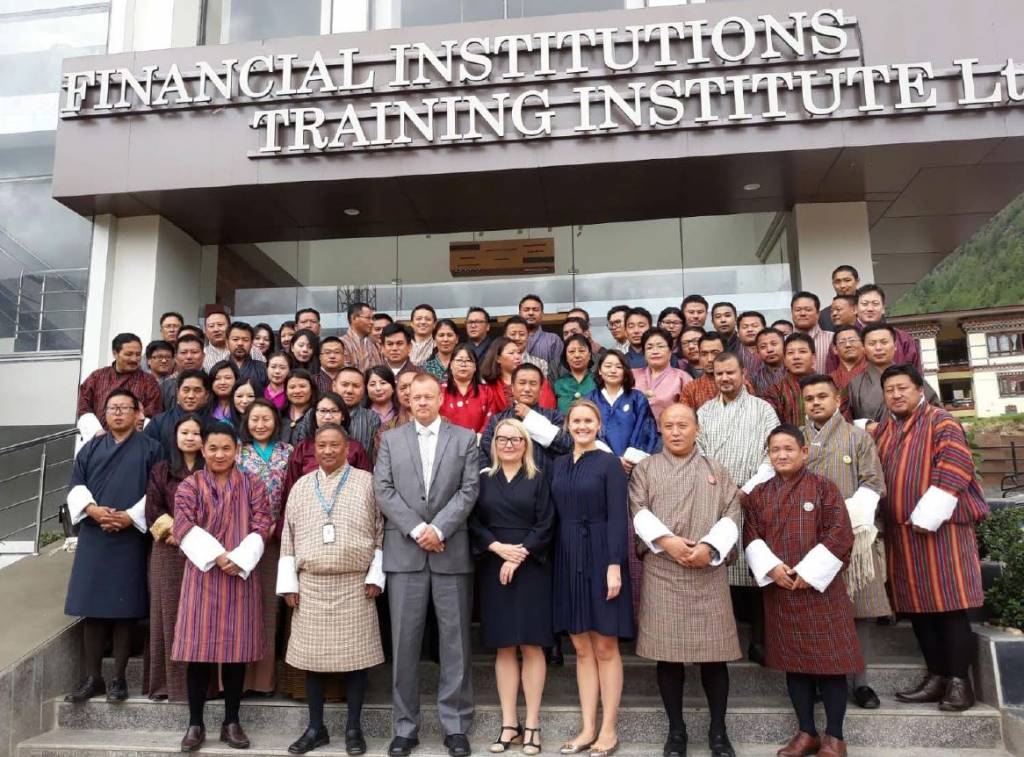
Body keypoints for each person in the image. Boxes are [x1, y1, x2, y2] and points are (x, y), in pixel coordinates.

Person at [373, 373, 481, 757]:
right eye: (414, 397)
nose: (421, 403)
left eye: (428, 396)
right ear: (407, 400)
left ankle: (456, 726)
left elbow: (470, 489)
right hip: (406, 553)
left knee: (456, 645)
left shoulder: (466, 439)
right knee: (404, 645)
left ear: (441, 398)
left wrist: (439, 528)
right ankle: (405, 727)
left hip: (450, 551)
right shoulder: (391, 439)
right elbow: (382, 488)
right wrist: (419, 528)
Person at [874, 365, 988, 712]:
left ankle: (959, 682)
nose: (896, 395)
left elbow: (955, 465)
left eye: (902, 388)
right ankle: (936, 676)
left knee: (950, 606)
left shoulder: (942, 421)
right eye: (890, 390)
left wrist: (929, 513)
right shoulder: (884, 431)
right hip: (902, 536)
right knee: (918, 609)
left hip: (943, 532)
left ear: (919, 389)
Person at [629, 403, 741, 757]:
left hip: (708, 570)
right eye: (668, 426)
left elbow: (732, 512)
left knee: (715, 657)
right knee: (668, 657)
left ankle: (718, 731)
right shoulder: (645, 469)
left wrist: (710, 546)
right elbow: (638, 511)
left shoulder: (716, 470)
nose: (675, 432)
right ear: (659, 430)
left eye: (683, 425)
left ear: (697, 430)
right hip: (664, 570)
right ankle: (676, 732)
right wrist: (668, 543)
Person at [744, 425, 861, 757]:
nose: (781, 455)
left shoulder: (824, 488)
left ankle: (835, 737)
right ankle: (806, 732)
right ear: (768, 455)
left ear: (804, 452)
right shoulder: (758, 495)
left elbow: (840, 533)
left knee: (832, 663)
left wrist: (810, 572)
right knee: (794, 663)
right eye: (775, 450)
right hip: (781, 588)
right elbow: (751, 537)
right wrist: (772, 568)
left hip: (821, 589)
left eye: (788, 449)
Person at [278, 424, 386, 755]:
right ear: (313, 449)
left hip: (355, 582)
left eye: (334, 445)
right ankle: (316, 727)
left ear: (347, 448)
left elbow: (382, 531)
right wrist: (288, 584)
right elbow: (288, 536)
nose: (327, 451)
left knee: (356, 660)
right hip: (311, 584)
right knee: (312, 660)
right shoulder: (300, 486)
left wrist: (375, 576)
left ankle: (354, 728)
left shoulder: (367, 483)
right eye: (321, 445)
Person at [172, 424, 273, 751]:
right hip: (202, 576)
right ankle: (195, 723)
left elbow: (262, 523)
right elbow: (183, 525)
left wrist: (239, 558)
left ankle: (232, 721)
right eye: (212, 448)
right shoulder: (190, 485)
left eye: (225, 448)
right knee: (197, 655)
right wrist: (217, 556)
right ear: (203, 450)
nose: (219, 454)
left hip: (240, 574)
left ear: (237, 451)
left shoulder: (253, 484)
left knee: (235, 653)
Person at [63, 389, 163, 704]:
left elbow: (157, 490)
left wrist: (129, 517)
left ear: (138, 414)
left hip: (131, 535)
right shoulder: (90, 448)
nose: (118, 413)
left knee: (125, 610)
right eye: (112, 408)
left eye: (124, 408)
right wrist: (93, 511)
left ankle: (119, 679)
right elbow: (76, 486)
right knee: (92, 609)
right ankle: (93, 678)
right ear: (105, 414)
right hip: (95, 535)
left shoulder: (152, 448)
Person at [799, 374, 890, 710]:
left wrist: (843, 521)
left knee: (859, 612)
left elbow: (873, 483)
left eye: (822, 396)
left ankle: (861, 682)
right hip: (808, 537)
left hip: (853, 535)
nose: (816, 403)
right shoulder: (797, 439)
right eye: (809, 398)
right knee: (816, 613)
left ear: (837, 399)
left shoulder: (857, 437)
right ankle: (824, 678)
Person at [550, 400, 634, 757]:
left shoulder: (609, 464)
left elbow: (619, 516)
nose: (582, 426)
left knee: (605, 645)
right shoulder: (557, 464)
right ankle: (587, 727)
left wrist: (614, 564)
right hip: (567, 555)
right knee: (581, 647)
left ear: (599, 424)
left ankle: (609, 729)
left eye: (588, 420)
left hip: (601, 553)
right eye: (576, 421)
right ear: (568, 425)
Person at [470, 418, 555, 756]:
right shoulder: (483, 480)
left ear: (526, 443)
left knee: (532, 645)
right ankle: (509, 724)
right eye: (502, 438)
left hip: (531, 566)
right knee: (504, 647)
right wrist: (496, 548)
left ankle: (532, 724)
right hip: (494, 566)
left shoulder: (539, 479)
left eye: (516, 438)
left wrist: (519, 554)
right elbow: (473, 522)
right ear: (493, 444)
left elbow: (547, 522)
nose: (508, 444)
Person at [696, 352, 779, 665]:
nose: (725, 379)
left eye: (730, 372)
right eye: (719, 374)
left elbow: (773, 453)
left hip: (753, 495)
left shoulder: (763, 410)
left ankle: (760, 641)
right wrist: (716, 488)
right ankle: (723, 640)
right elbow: (698, 451)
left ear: (744, 373)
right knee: (720, 570)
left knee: (755, 568)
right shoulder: (704, 411)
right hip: (715, 497)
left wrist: (748, 488)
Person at [237, 399, 294, 696]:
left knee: (272, 610)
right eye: (255, 419)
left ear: (276, 422)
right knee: (245, 607)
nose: (260, 424)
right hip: (245, 538)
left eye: (267, 419)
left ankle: (266, 680)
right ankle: (241, 680)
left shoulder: (288, 452)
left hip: (279, 539)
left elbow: (293, 493)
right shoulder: (236, 453)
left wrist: (278, 524)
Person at [145, 413, 204, 702]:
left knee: (201, 619)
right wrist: (177, 532)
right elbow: (152, 509)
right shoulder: (162, 469)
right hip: (167, 549)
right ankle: (167, 684)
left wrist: (191, 536)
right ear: (175, 437)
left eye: (196, 433)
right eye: (185, 433)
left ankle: (203, 687)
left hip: (204, 552)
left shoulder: (213, 468)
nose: (190, 437)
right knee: (168, 615)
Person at [77, 333, 163, 449]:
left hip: (134, 445)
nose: (134, 359)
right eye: (128, 354)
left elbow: (153, 414)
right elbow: (83, 407)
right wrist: (97, 432)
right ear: (115, 353)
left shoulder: (149, 381)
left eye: (138, 355)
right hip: (97, 443)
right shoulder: (97, 377)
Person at [480, 364, 573, 469]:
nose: (527, 389)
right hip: (505, 482)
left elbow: (567, 444)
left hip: (546, 482)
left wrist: (531, 418)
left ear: (541, 390)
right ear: (512, 388)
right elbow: (485, 455)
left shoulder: (554, 416)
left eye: (533, 384)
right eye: (522, 383)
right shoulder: (497, 420)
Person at [848, 325, 939, 430]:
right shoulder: (854, 384)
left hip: (914, 440)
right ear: (863, 348)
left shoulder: (912, 377)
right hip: (873, 442)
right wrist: (865, 426)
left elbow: (936, 412)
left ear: (895, 345)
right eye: (872, 344)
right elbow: (844, 420)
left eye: (884, 342)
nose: (878, 348)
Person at [285, 392, 373, 495]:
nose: (327, 416)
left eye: (333, 411)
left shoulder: (355, 448)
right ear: (315, 415)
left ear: (343, 416)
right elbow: (291, 487)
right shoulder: (303, 447)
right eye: (323, 411)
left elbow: (366, 485)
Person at [587, 349, 658, 469]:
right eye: (608, 366)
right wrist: (611, 460)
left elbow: (645, 429)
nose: (613, 370)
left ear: (625, 371)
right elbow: (585, 431)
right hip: (599, 465)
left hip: (632, 466)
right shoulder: (589, 400)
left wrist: (630, 459)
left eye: (619, 367)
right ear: (599, 370)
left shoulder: (637, 398)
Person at [855, 284, 922, 371]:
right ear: (856, 308)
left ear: (883, 308)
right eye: (864, 304)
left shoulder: (903, 338)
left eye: (875, 304)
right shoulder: (845, 339)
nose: (870, 308)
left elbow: (916, 374)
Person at [146, 370, 212, 458]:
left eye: (197, 390)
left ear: (206, 395)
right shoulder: (158, 422)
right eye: (186, 390)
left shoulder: (214, 425)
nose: (190, 396)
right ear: (177, 393)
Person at [632, 327, 692, 421]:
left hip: (669, 432)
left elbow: (689, 413)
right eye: (649, 347)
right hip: (635, 432)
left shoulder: (682, 377)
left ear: (670, 351)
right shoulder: (632, 375)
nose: (655, 351)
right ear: (644, 353)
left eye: (660, 346)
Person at [482, 336, 557, 412]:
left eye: (519, 353)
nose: (518, 357)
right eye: (511, 353)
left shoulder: (536, 378)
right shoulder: (489, 387)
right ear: (498, 358)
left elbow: (547, 408)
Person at [763, 333, 818, 426]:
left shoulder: (830, 387)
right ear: (784, 360)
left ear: (813, 358)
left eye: (802, 351)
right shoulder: (774, 391)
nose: (796, 357)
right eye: (790, 353)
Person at [440, 343, 496, 433]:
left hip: (477, 443)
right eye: (459, 360)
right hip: (445, 443)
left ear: (475, 367)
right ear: (451, 365)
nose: (463, 364)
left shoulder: (486, 391)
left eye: (468, 361)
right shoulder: (439, 390)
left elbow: (490, 420)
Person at [335, 366, 381, 462]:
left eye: (356, 386)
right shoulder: (317, 413)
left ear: (364, 390)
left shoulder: (371, 418)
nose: (349, 391)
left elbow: (375, 456)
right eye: (344, 385)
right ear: (334, 386)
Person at [791, 292, 834, 374]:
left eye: (808, 310)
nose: (802, 314)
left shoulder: (833, 339)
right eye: (798, 310)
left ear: (818, 314)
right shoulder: (783, 341)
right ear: (792, 313)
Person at [553, 334, 597, 414]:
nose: (577, 355)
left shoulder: (599, 380)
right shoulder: (558, 384)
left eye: (582, 351)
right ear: (566, 357)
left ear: (590, 355)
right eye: (571, 351)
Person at [162, 333, 206, 409]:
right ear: (175, 358)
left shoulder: (211, 383)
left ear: (203, 356)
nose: (189, 357)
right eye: (183, 353)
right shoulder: (166, 386)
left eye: (194, 352)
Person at [520, 294, 563, 368]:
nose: (531, 313)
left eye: (535, 309)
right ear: (520, 313)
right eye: (526, 310)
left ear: (542, 314)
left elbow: (558, 371)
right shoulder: (511, 339)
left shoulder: (553, 340)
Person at [342, 302, 385, 371]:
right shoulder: (342, 344)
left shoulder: (375, 344)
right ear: (354, 318)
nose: (372, 322)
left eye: (372, 319)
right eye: (368, 318)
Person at [227, 321, 268, 390]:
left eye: (245, 340)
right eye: (235, 339)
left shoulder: (263, 368)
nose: (240, 343)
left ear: (252, 343)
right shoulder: (220, 369)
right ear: (226, 342)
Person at [282, 369, 319, 445]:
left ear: (312, 389)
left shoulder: (318, 415)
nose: (297, 391)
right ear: (286, 391)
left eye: (302, 386)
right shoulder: (280, 415)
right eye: (292, 387)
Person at [820, 265, 861, 331]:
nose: (842, 286)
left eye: (847, 280)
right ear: (833, 284)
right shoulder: (824, 316)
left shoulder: (868, 308)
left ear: (857, 281)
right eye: (837, 281)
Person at [751, 327, 788, 396]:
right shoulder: (754, 380)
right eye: (763, 346)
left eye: (774, 344)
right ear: (757, 351)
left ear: (785, 346)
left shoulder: (795, 372)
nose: (769, 350)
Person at [829, 326, 868, 392]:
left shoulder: (874, 372)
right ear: (835, 349)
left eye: (852, 340)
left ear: (863, 345)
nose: (848, 345)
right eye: (842, 342)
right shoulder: (831, 379)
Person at [208, 360, 240, 425]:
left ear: (236, 380)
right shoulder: (205, 408)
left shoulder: (242, 407)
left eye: (228, 378)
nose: (222, 382)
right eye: (217, 378)